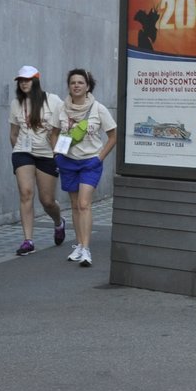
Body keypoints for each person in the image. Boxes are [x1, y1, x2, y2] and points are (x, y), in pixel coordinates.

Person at [53, 69, 117, 268]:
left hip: (90, 162)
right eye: (73, 82)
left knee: (83, 203)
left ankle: (87, 249)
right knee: (73, 204)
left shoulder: (98, 108)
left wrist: (100, 157)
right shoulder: (61, 109)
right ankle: (79, 244)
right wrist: (56, 153)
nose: (76, 85)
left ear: (88, 86)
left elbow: (113, 135)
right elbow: (53, 132)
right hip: (68, 161)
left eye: (81, 82)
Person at [8, 66, 65, 255]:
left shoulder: (53, 100)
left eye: (27, 79)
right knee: (26, 193)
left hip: (47, 154)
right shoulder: (16, 103)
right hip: (23, 152)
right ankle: (28, 240)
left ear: (36, 80)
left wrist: (59, 149)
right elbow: (13, 133)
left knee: (47, 200)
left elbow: (65, 127)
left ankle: (58, 222)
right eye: (21, 80)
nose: (24, 83)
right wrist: (19, 151)